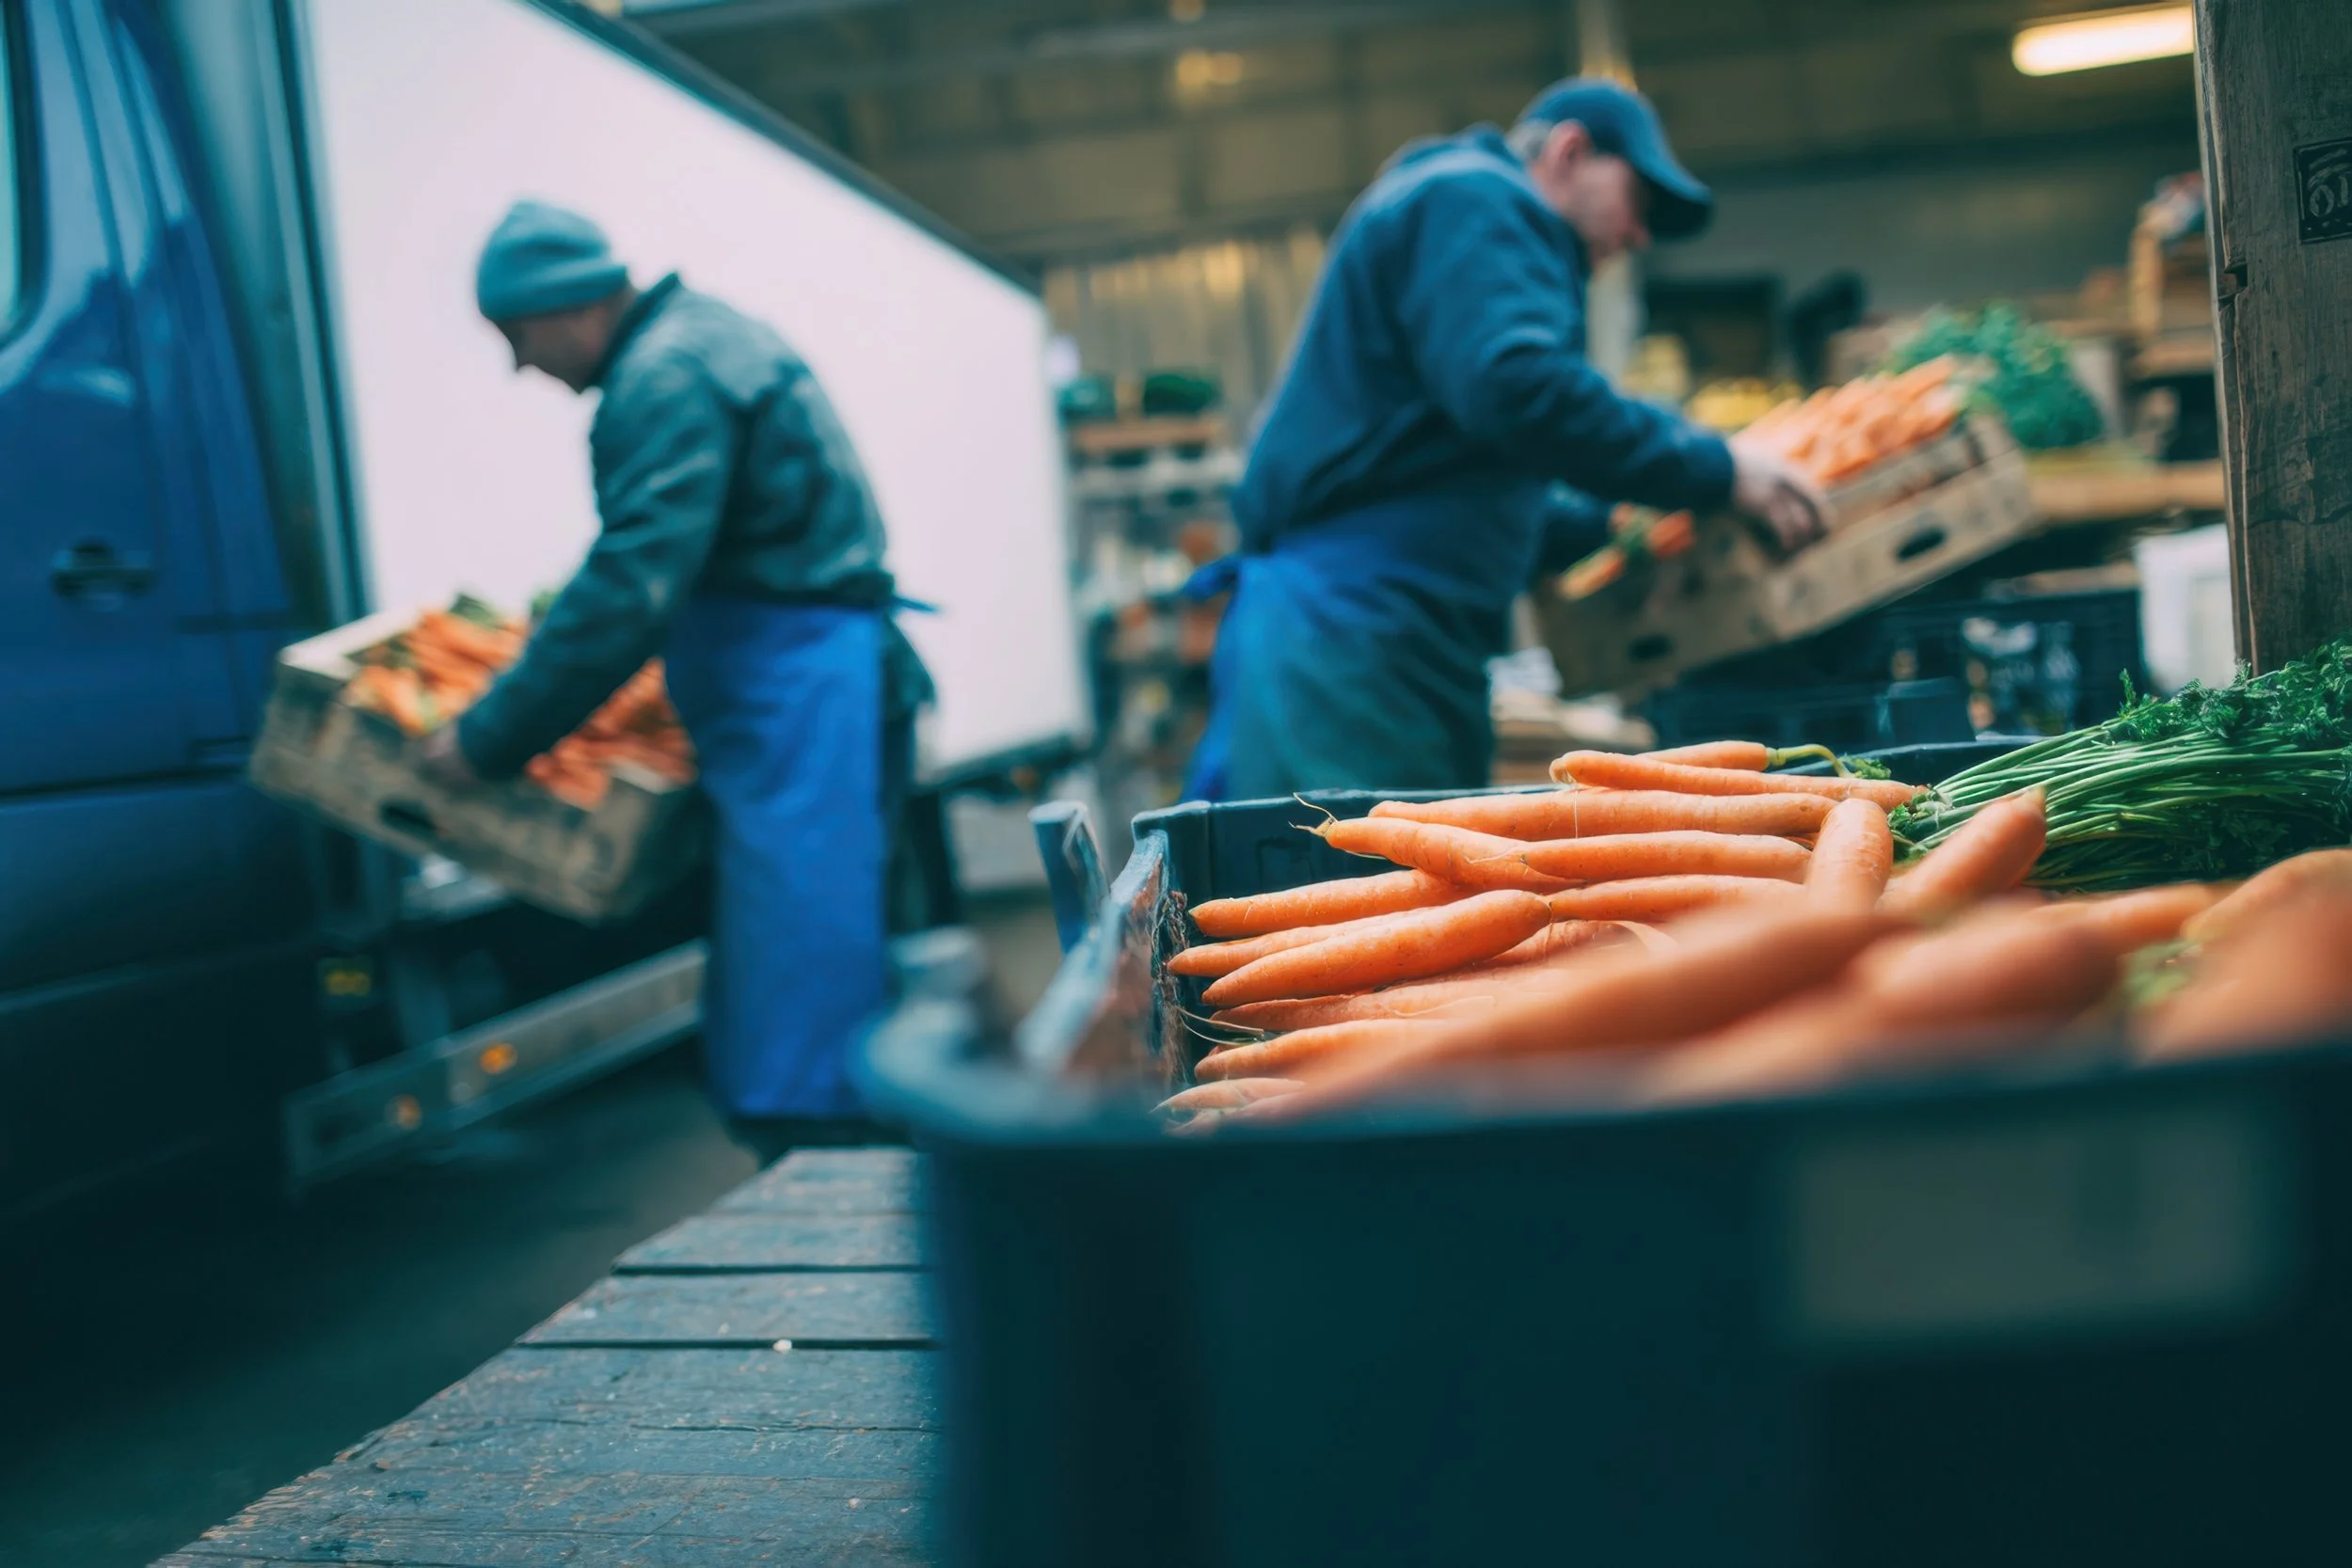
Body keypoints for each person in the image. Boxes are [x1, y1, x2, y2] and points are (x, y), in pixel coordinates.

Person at [421, 199, 932, 1164]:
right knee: (791, 924)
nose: (519, 364)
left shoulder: (663, 377)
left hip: (795, 693)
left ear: (570, 308)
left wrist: (489, 736)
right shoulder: (709, 335)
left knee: (800, 929)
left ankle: (822, 1160)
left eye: (515, 336)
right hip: (796, 686)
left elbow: (629, 589)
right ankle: (813, 1126)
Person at [1184, 79, 1827, 802]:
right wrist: (1719, 468)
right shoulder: (1480, 199)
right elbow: (1518, 389)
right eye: (1639, 202)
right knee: (1352, 886)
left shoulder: (1461, 215)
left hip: (1395, 643)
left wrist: (1609, 526)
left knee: (1416, 890)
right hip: (1349, 642)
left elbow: (1457, 479)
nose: (1640, 236)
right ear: (1569, 152)